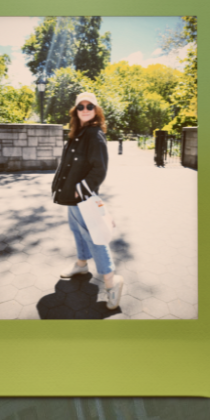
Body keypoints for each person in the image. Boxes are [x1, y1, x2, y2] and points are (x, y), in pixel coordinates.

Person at [51, 92, 126, 311]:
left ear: (96, 110)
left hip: (81, 197)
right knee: (77, 230)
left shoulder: (93, 134)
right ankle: (82, 265)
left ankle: (112, 283)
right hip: (72, 197)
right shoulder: (78, 133)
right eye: (81, 106)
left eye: (90, 106)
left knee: (96, 239)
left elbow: (99, 170)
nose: (85, 109)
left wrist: (79, 190)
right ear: (75, 111)